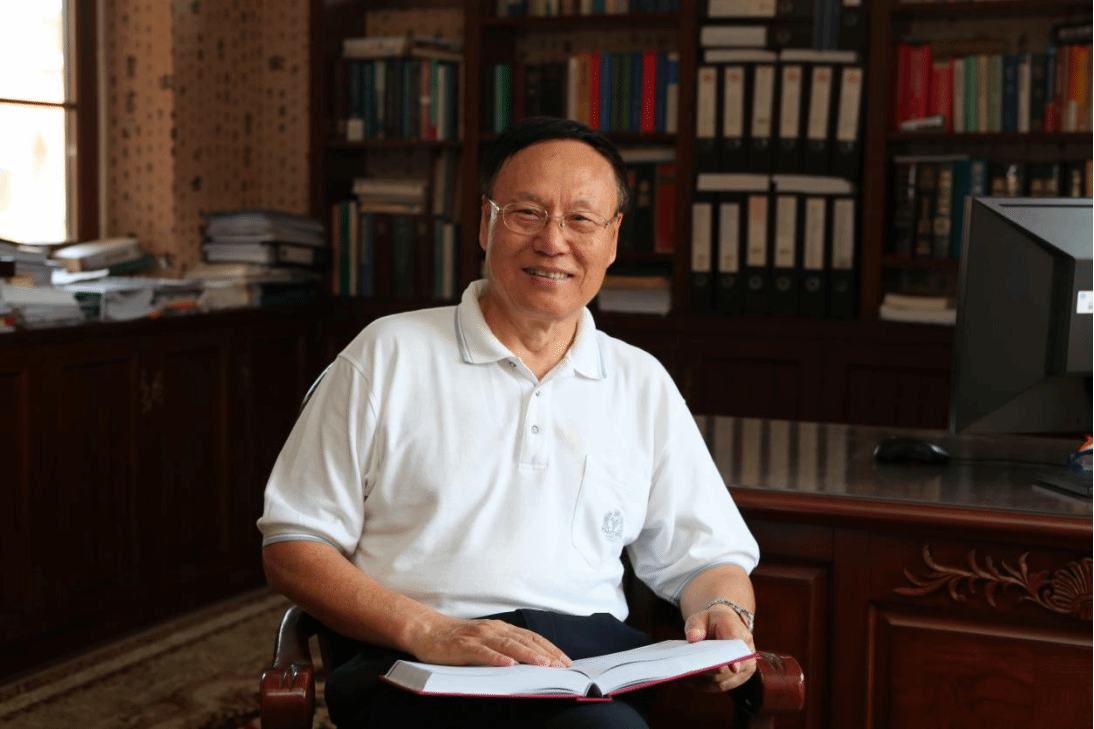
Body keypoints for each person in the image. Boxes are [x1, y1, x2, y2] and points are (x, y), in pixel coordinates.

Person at [258, 116, 761, 729]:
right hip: (415, 666)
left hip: (583, 671)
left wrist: (726, 610)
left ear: (612, 238)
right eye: (527, 213)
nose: (553, 241)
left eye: (581, 219)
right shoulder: (386, 354)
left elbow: (706, 558)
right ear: (485, 222)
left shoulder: (641, 381)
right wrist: (430, 631)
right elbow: (293, 545)